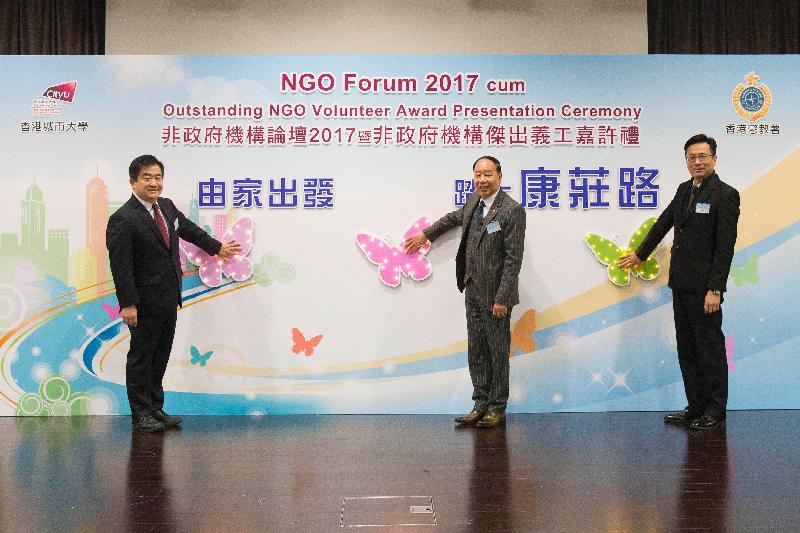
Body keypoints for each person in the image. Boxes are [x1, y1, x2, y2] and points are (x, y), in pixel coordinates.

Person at [106, 155, 241, 432]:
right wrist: (128, 304)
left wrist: (216, 247)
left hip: (169, 298)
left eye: (158, 177)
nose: (154, 183)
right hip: (143, 303)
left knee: (160, 355)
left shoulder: (166, 207)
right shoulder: (123, 218)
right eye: (147, 177)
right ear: (133, 181)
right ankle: (140, 413)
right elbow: (121, 266)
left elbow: (189, 230)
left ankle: (155, 408)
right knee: (141, 357)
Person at [620, 134, 740, 430]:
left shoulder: (725, 194)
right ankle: (696, 406)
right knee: (687, 348)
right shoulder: (684, 189)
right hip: (681, 283)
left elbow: (725, 247)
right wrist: (640, 254)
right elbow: (664, 222)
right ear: (686, 161)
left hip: (705, 290)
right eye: (691, 157)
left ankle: (714, 410)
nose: (697, 162)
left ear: (714, 158)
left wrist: (716, 289)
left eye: (702, 156)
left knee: (709, 349)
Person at [404, 156, 526, 428]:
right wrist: (426, 234)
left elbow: (512, 259)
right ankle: (480, 403)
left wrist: (502, 298)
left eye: (488, 175)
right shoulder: (474, 201)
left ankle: (497, 407)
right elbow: (453, 218)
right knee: (477, 351)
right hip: (471, 290)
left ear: (499, 176)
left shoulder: (512, 210)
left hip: (496, 298)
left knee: (497, 352)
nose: (482, 180)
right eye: (478, 175)